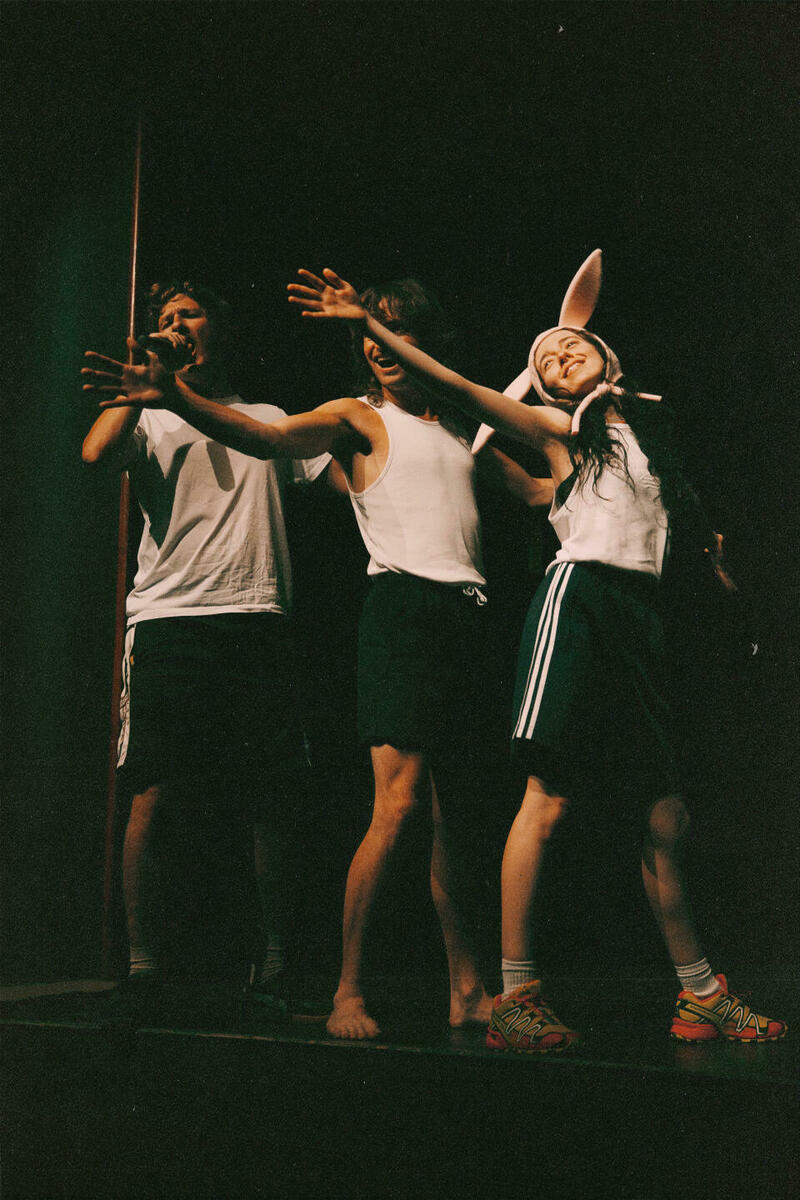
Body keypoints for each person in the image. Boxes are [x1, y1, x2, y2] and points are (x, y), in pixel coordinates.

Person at [284, 257, 787, 1050]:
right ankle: (516, 994)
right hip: (577, 602)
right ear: (542, 391)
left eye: (570, 346)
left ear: (607, 357)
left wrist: (715, 565)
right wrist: (374, 327)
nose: (559, 353)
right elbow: (458, 390)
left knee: (666, 815)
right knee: (546, 798)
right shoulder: (561, 434)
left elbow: (653, 526)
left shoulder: (645, 442)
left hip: (639, 618)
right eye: (545, 358)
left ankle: (699, 994)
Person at [84, 275, 554, 1039]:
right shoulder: (331, 416)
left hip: (397, 618)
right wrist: (164, 391)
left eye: (394, 327)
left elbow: (523, 491)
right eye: (369, 331)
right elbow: (237, 442)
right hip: (289, 616)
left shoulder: (437, 426)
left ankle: (443, 986)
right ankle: (297, 986)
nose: (378, 343)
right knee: (375, 806)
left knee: (438, 815)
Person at [82, 281, 330, 1010]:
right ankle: (143, 969)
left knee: (269, 795)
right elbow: (95, 454)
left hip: (258, 614)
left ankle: (276, 963)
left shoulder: (268, 418)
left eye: (187, 313)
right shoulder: (149, 416)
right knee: (153, 790)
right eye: (163, 318)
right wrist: (140, 385)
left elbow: (338, 478)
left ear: (218, 325)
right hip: (171, 619)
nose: (175, 325)